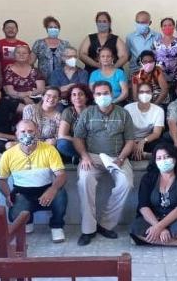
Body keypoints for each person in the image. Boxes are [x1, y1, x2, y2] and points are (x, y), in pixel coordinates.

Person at [73, 81, 134, 246]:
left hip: (117, 157)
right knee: (85, 180)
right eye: (98, 94)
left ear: (112, 94)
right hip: (92, 157)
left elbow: (130, 140)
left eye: (105, 93)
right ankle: (88, 229)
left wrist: (121, 158)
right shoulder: (87, 113)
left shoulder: (123, 114)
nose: (102, 97)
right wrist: (84, 156)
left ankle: (105, 225)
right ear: (93, 97)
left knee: (126, 184)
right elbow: (78, 138)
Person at [0, 119, 68, 242]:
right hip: (22, 193)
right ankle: (27, 221)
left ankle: (57, 226)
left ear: (37, 133)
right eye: (23, 131)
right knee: (15, 216)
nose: (27, 134)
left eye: (30, 131)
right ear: (17, 134)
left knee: (60, 193)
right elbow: (2, 180)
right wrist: (8, 195)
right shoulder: (8, 155)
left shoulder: (49, 150)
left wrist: (52, 189)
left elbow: (61, 174)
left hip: (46, 192)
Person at [129, 143, 177, 252]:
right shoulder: (148, 178)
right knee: (135, 228)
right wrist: (159, 227)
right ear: (155, 161)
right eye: (159, 158)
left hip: (176, 219)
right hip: (152, 219)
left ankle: (144, 240)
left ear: (175, 159)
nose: (163, 160)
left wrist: (159, 227)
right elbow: (143, 206)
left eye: (167, 157)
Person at [125, 83, 165, 160]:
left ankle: (138, 154)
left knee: (163, 144)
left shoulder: (158, 110)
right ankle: (146, 155)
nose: (145, 94)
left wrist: (143, 141)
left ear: (152, 93)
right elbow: (125, 132)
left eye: (148, 92)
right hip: (130, 140)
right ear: (137, 93)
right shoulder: (128, 108)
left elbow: (156, 133)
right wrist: (133, 144)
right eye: (141, 92)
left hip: (147, 140)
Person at [57, 84, 93, 162]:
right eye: (74, 95)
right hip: (76, 143)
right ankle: (81, 156)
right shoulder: (68, 111)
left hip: (92, 143)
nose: (77, 97)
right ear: (70, 98)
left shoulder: (93, 111)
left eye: (81, 94)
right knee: (62, 144)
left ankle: (84, 157)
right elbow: (61, 135)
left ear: (86, 97)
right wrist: (79, 141)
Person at [31, 16, 70, 81]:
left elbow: (70, 62)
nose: (53, 29)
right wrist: (35, 74)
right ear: (46, 29)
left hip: (61, 80)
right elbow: (31, 61)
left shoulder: (65, 44)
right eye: (50, 27)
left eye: (55, 27)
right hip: (42, 80)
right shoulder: (39, 43)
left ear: (59, 29)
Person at [153, 17, 177, 82]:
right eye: (164, 25)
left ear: (174, 27)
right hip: (159, 77)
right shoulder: (156, 43)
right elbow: (153, 60)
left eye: (170, 25)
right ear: (161, 28)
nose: (167, 27)